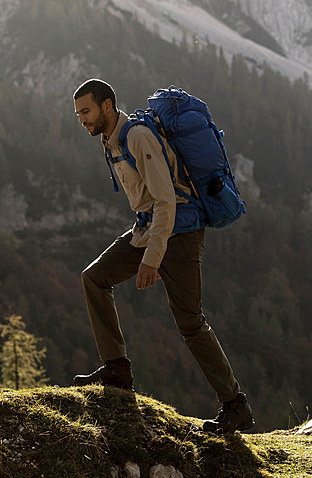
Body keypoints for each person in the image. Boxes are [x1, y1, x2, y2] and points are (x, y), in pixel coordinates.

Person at [70, 79, 255, 435]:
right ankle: (116, 370)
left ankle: (236, 406)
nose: (82, 120)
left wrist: (152, 258)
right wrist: (147, 245)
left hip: (179, 234)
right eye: (78, 114)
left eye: (86, 111)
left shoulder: (137, 137)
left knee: (190, 322)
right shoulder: (112, 141)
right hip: (148, 229)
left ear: (107, 105)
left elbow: (166, 200)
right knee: (94, 277)